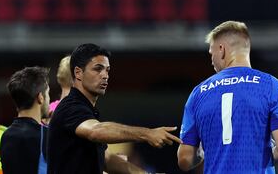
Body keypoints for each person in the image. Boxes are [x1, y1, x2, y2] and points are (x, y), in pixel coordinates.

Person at [177, 21, 278, 173]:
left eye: (211, 53)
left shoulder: (198, 93)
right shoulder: (272, 86)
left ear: (221, 50)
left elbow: (185, 159)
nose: (212, 60)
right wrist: (260, 156)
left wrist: (204, 151)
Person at [48, 43, 182, 174]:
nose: (105, 75)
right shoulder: (70, 107)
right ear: (78, 73)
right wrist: (147, 133)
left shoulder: (87, 111)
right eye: (97, 69)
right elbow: (96, 131)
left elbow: (106, 160)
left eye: (107, 70)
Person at [0, 66, 50, 174]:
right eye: (48, 94)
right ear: (40, 97)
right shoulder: (47, 135)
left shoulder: (5, 136)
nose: (49, 99)